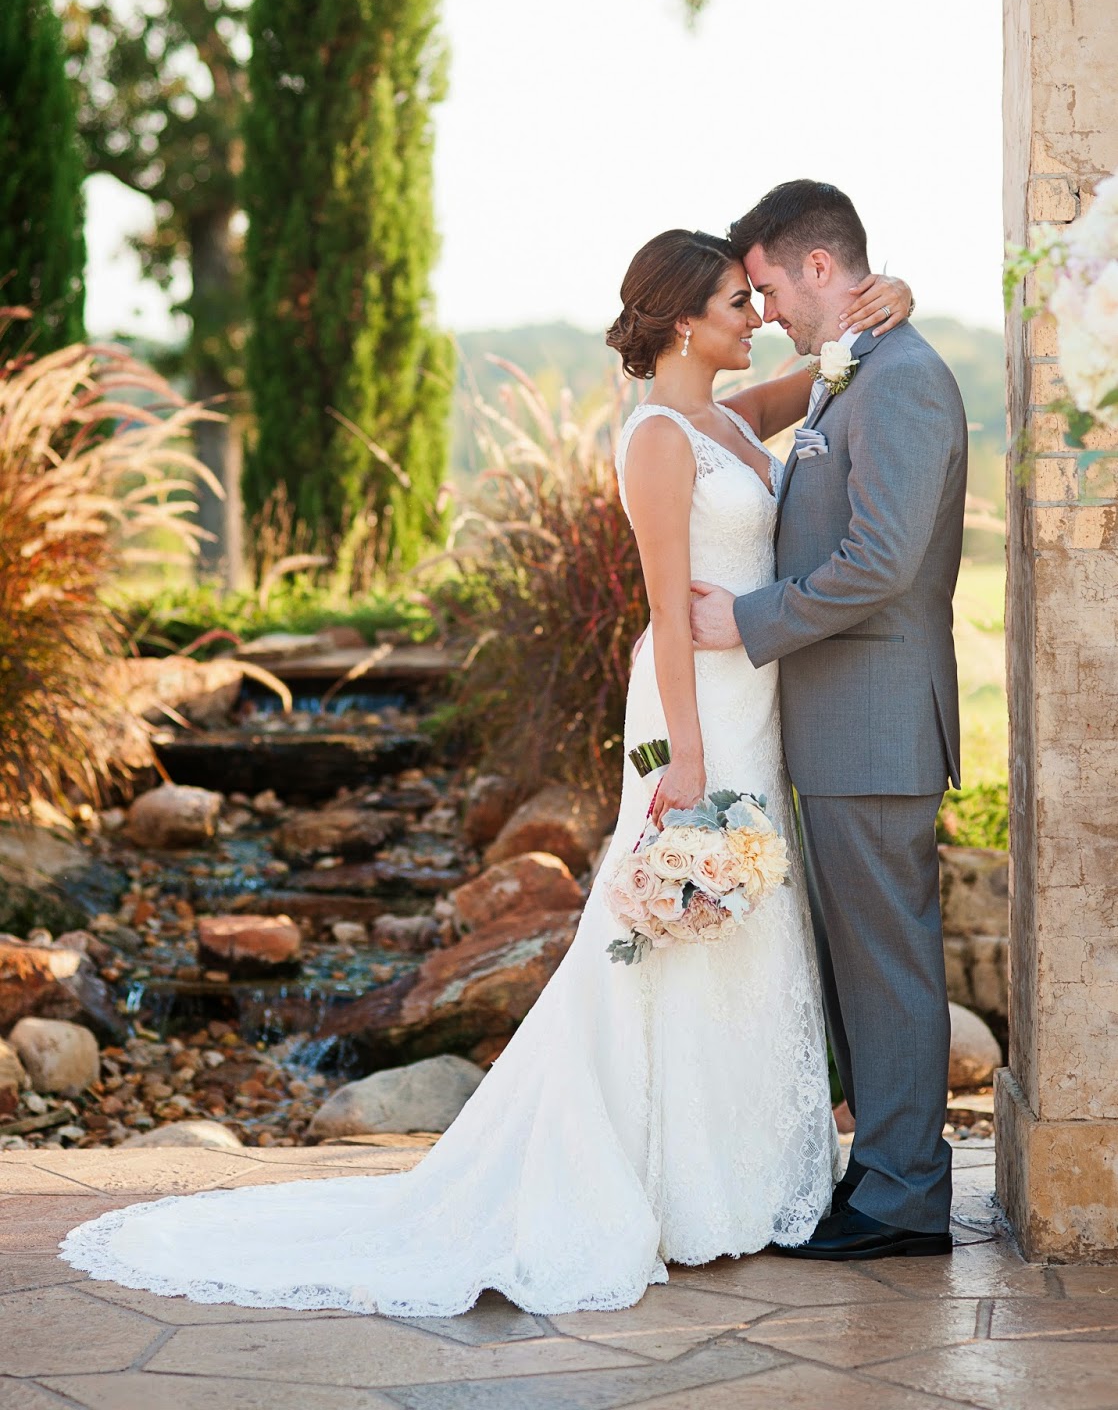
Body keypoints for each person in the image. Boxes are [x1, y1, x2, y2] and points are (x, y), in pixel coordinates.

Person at [58, 223, 915, 1316]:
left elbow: (814, 382)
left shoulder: (723, 417)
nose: (754, 316)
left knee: (737, 925)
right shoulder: (657, 436)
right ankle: (653, 1182)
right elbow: (661, 608)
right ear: (681, 320)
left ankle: (741, 1178)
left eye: (755, 304)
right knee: (662, 926)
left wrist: (872, 310)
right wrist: (687, 759)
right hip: (693, 710)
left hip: (752, 698)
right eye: (736, 305)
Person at [691, 179, 966, 1260]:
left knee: (888, 961)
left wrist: (746, 622)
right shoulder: (855, 368)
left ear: (818, 266)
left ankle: (902, 1198)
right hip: (840, 723)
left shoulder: (898, 378)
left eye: (764, 285)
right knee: (864, 959)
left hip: (878, 720)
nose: (761, 311)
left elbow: (878, 563)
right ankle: (884, 1177)